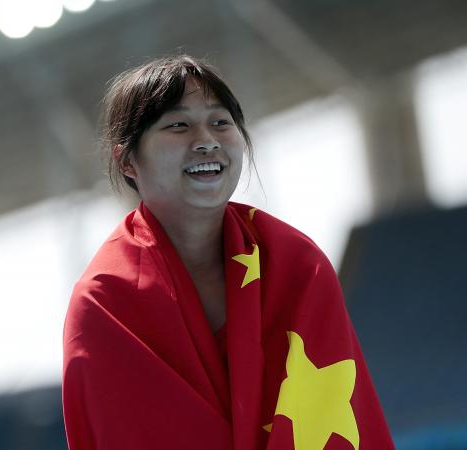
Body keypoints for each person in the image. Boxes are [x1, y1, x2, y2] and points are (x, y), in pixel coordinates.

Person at [62, 55, 394, 450]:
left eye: (221, 122)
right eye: (178, 125)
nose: (206, 141)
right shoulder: (104, 304)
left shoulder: (297, 265)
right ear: (128, 160)